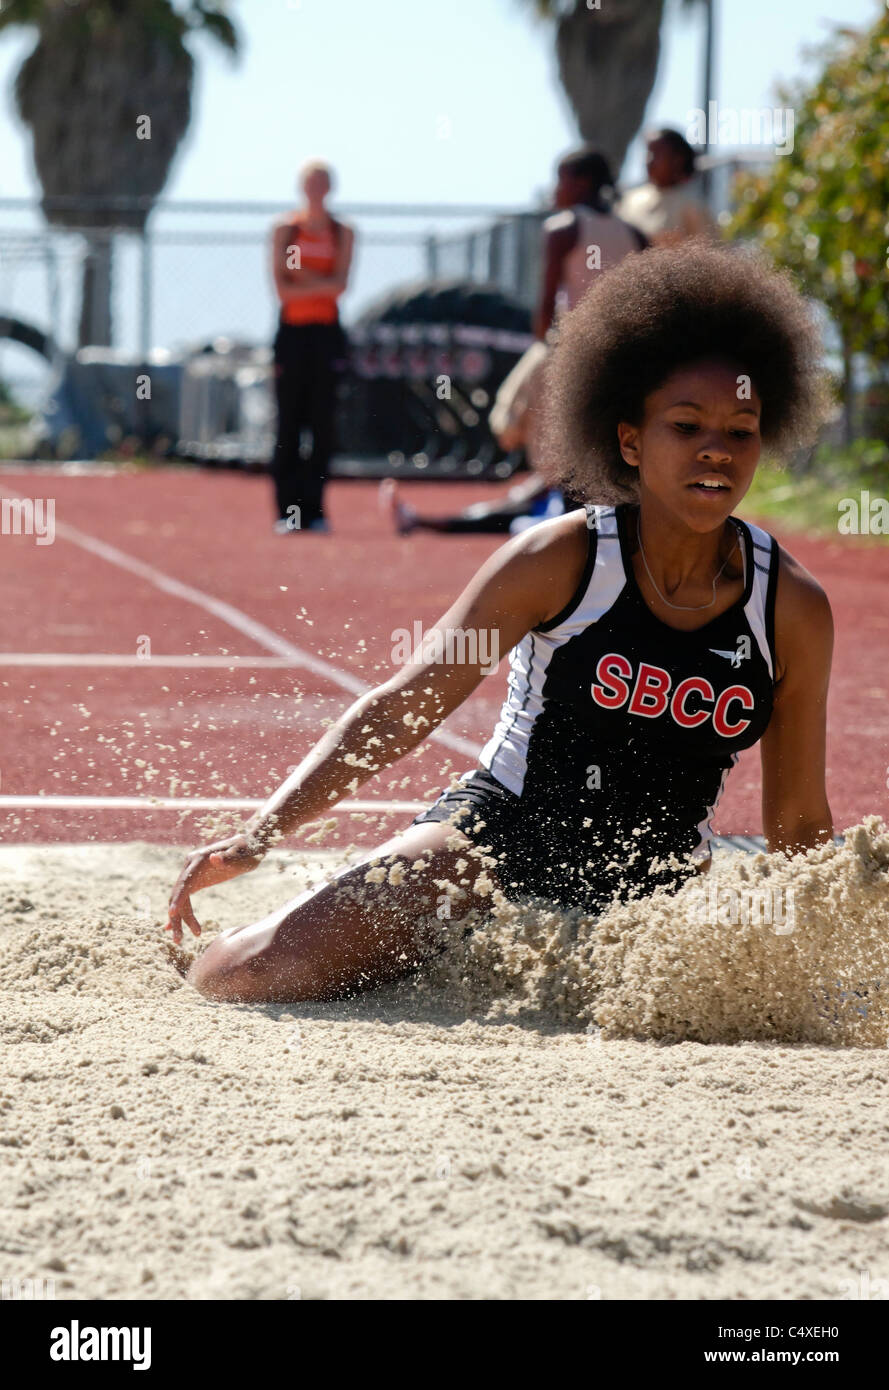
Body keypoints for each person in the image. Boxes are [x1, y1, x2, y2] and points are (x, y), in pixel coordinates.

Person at [167, 242, 833, 1006]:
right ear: (628, 440)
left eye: (740, 431)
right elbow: (404, 706)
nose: (716, 449)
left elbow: (797, 821)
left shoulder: (789, 606)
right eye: (685, 426)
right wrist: (262, 832)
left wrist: (813, 961)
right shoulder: (560, 560)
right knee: (242, 976)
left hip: (655, 891)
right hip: (494, 846)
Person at [380, 147, 645, 537]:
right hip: (621, 361)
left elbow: (545, 307)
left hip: (572, 355)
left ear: (582, 182)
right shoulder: (634, 233)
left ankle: (571, 544)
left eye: (561, 179)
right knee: (595, 461)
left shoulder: (563, 228)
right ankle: (597, 536)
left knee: (558, 461)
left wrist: (547, 348)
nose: (555, 189)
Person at [269, 161, 355, 534]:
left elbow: (340, 286)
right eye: (311, 183)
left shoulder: (343, 231)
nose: (317, 189)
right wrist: (320, 280)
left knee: (322, 426)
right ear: (302, 187)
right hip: (292, 335)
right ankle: (287, 512)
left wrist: (305, 277)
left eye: (323, 183)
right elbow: (282, 289)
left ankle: (315, 511)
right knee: (289, 425)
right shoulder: (286, 230)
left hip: (327, 336)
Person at [617, 128, 716, 248]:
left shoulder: (692, 206)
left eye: (656, 153)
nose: (649, 161)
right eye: (648, 153)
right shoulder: (630, 200)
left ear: (677, 160)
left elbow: (708, 255)